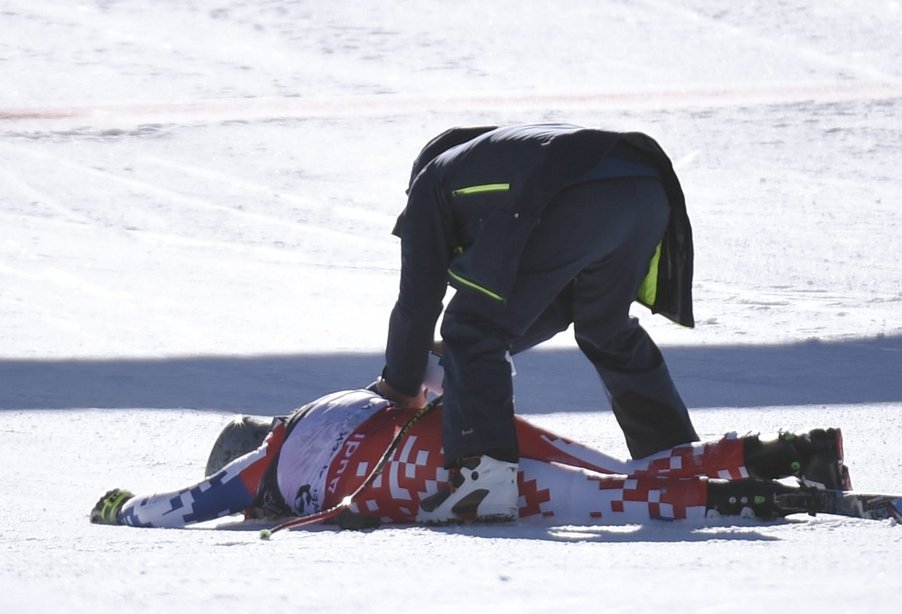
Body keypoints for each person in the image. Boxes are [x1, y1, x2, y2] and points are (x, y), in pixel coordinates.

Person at [373, 124, 703, 523]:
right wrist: (466, 356)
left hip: (578, 195)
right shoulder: (507, 158)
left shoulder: (432, 181)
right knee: (605, 328)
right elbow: (554, 303)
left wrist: (401, 385)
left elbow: (418, 300)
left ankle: (484, 482)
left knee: (471, 325)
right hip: (647, 183)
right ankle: (674, 455)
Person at [89, 387, 851, 529]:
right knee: (624, 471)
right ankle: (787, 452)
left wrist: (122, 506)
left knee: (600, 502)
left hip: (421, 478)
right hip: (456, 420)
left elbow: (184, 507)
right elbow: (421, 376)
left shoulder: (265, 464)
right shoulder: (326, 401)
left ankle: (752, 502)